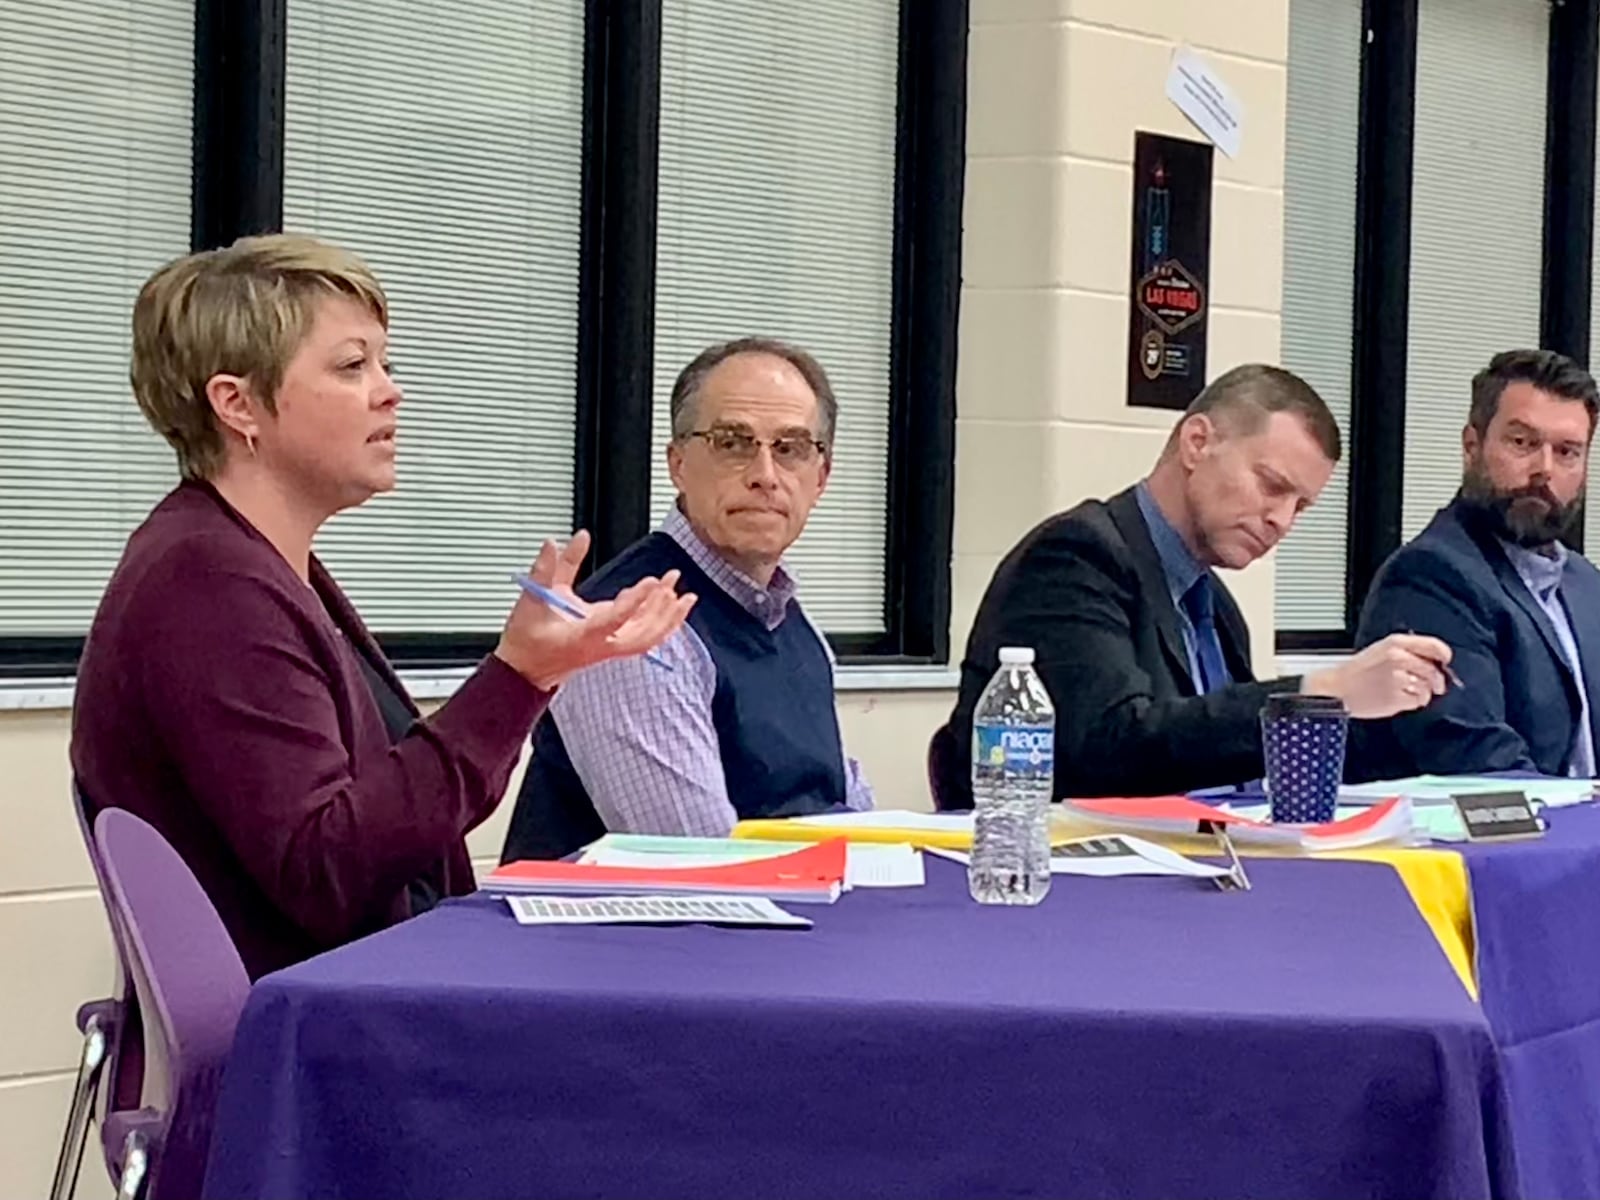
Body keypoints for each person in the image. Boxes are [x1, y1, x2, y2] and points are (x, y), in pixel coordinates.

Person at [70, 234, 694, 979]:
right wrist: (519, 676)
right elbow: (326, 868)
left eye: (383, 364)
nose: (389, 390)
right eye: (351, 366)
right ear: (237, 405)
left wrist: (538, 672)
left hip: (361, 1003)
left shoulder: (255, 564)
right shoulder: (206, 584)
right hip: (312, 1048)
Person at [930, 363, 1454, 807]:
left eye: (1302, 506)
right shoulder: (1075, 558)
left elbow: (1226, 755)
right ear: (1197, 442)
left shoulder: (1217, 608)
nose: (1282, 520)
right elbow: (1107, 749)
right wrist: (1318, 695)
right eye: (1272, 486)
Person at [501, 337, 873, 861]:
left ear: (822, 477)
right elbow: (696, 859)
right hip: (633, 936)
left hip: (785, 918)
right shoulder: (629, 625)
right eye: (732, 443)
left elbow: (845, 804)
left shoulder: (792, 622)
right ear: (678, 463)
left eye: (789, 448)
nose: (765, 475)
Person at [1356, 349, 1600, 777]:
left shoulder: (1585, 583)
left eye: (1567, 452)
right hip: (1506, 840)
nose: (1543, 469)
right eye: (1522, 442)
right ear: (1472, 446)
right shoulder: (1431, 577)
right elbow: (1479, 765)